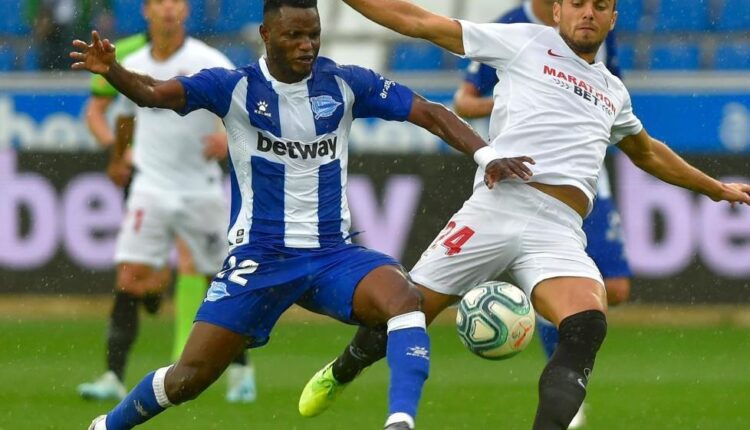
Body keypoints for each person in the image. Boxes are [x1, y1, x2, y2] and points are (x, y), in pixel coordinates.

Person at [71, 0, 535, 428]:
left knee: (404, 299)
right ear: (266, 35)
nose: (307, 45)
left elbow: (429, 112)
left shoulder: (345, 83)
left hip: (332, 255)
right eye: (294, 35)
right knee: (187, 380)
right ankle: (105, 426)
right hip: (261, 257)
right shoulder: (232, 87)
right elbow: (154, 92)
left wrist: (485, 155)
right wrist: (114, 72)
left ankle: (400, 421)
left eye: (313, 34)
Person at [297, 0, 750, 429]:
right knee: (406, 309)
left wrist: (715, 189)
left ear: (613, 18)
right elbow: (422, 23)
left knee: (587, 323)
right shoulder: (526, 42)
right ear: (557, 11)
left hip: (559, 228)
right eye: (576, 4)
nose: (587, 13)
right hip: (498, 207)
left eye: (600, 6)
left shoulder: (614, 92)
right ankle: (343, 368)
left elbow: (647, 153)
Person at [452, 0, 631, 426]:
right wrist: (530, 92)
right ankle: (564, 378)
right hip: (528, 176)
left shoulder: (595, 24)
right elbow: (464, 100)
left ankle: (537, 302)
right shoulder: (512, 27)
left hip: (587, 177)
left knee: (618, 289)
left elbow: (610, 87)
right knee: (581, 307)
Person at [75, 0, 256, 406]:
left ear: (186, 11)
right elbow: (123, 116)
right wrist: (119, 154)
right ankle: (112, 376)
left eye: (176, 1)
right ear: (146, 11)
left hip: (200, 187)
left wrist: (227, 139)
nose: (169, 9)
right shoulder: (131, 61)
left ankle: (242, 372)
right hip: (150, 186)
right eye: (161, 2)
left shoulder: (208, 60)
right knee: (130, 276)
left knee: (221, 282)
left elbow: (245, 112)